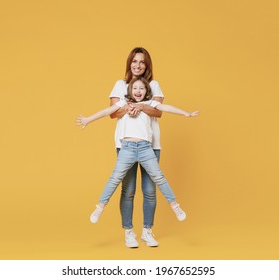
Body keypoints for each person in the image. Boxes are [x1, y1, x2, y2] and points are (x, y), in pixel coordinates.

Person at [76, 77, 199, 247]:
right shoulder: (123, 104)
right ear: (129, 91)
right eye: (135, 88)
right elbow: (106, 112)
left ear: (146, 91)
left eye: (142, 88)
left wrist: (185, 113)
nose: (138, 91)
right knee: (115, 179)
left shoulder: (150, 104)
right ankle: (100, 207)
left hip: (146, 149)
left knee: (159, 178)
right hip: (126, 149)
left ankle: (175, 206)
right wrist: (88, 120)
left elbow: (165, 107)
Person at [109, 47, 165, 248]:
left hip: (151, 144)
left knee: (150, 190)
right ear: (129, 63)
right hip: (125, 144)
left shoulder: (154, 85)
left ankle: (147, 231)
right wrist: (129, 107)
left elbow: (157, 112)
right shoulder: (119, 85)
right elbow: (113, 113)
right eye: (134, 61)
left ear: (147, 65)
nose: (138, 65)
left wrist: (140, 106)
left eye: (142, 62)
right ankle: (129, 232)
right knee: (128, 189)